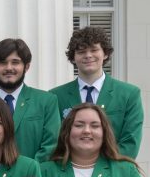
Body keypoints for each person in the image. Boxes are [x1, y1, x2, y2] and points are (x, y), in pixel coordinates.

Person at [51, 26, 144, 159]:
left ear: (105, 54)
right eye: (81, 51)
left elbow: (131, 142)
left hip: (114, 172)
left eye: (94, 50)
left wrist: (99, 168)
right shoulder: (55, 96)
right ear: (73, 57)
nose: (88, 55)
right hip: (68, 172)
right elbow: (54, 141)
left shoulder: (129, 94)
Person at [0, 38, 60, 161]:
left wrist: (28, 172)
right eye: (3, 62)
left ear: (26, 67)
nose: (9, 68)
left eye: (15, 62)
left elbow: (51, 145)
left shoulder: (46, 102)